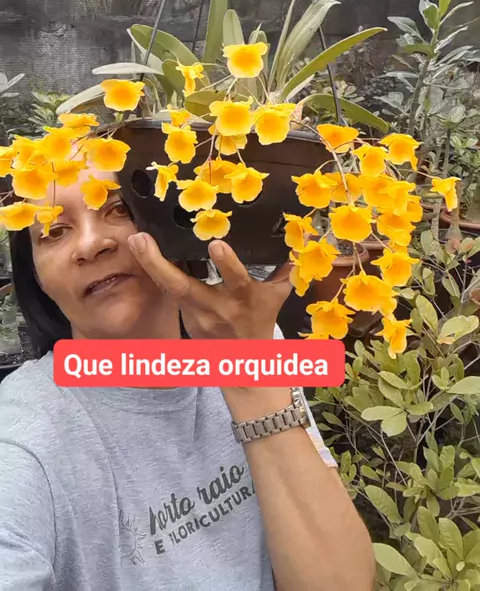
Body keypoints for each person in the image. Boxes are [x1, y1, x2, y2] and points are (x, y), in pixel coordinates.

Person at [0, 164, 375, 591]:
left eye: (119, 209)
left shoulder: (250, 339)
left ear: (183, 220)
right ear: (37, 276)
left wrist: (248, 375)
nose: (90, 244)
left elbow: (342, 582)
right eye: (53, 231)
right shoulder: (25, 439)